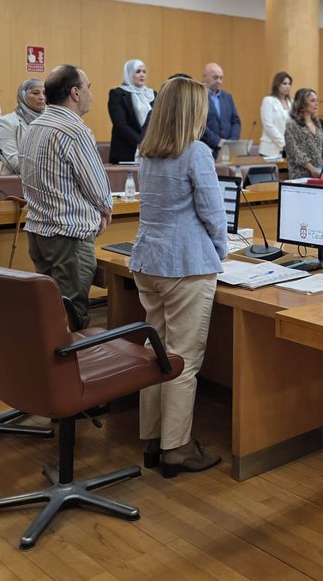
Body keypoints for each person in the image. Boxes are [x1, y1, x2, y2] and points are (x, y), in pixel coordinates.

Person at [130, 75, 225, 478]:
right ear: (193, 112)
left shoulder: (147, 151)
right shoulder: (196, 153)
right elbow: (214, 215)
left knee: (156, 354)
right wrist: (218, 253)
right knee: (182, 359)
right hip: (186, 265)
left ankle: (152, 439)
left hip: (148, 261)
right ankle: (177, 448)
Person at [19, 64, 112, 330]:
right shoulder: (76, 130)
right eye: (88, 87)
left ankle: (46, 368)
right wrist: (105, 210)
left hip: (38, 231)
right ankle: (73, 370)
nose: (91, 94)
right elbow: (97, 186)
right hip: (68, 236)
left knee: (49, 311)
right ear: (75, 92)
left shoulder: (34, 126)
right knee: (72, 312)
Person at [107, 59, 154, 163]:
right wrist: (141, 142)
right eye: (138, 71)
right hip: (126, 151)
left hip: (151, 151)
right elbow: (120, 125)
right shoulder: (117, 94)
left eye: (144, 72)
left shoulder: (152, 94)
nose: (142, 75)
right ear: (129, 74)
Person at [0, 78, 45, 174]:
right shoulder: (7, 122)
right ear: (23, 96)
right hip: (16, 183)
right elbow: (11, 160)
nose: (42, 97)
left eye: (44, 93)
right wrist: (47, 169)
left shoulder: (50, 122)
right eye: (35, 93)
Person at [284, 87, 323, 180]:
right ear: (302, 104)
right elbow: (295, 152)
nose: (316, 103)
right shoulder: (292, 125)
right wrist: (312, 169)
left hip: (320, 175)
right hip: (301, 175)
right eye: (312, 100)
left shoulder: (318, 123)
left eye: (317, 100)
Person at [199, 62, 241, 157]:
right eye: (215, 77)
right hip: (206, 149)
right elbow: (199, 123)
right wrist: (217, 141)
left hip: (227, 151)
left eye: (221, 78)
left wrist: (232, 142)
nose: (219, 81)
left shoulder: (227, 97)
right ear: (205, 77)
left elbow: (236, 121)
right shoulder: (198, 96)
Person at [259, 71, 293, 158]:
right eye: (284, 83)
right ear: (277, 85)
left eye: (289, 84)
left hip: (288, 149)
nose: (287, 86)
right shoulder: (268, 101)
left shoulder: (291, 102)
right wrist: (284, 143)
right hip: (270, 149)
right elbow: (268, 126)